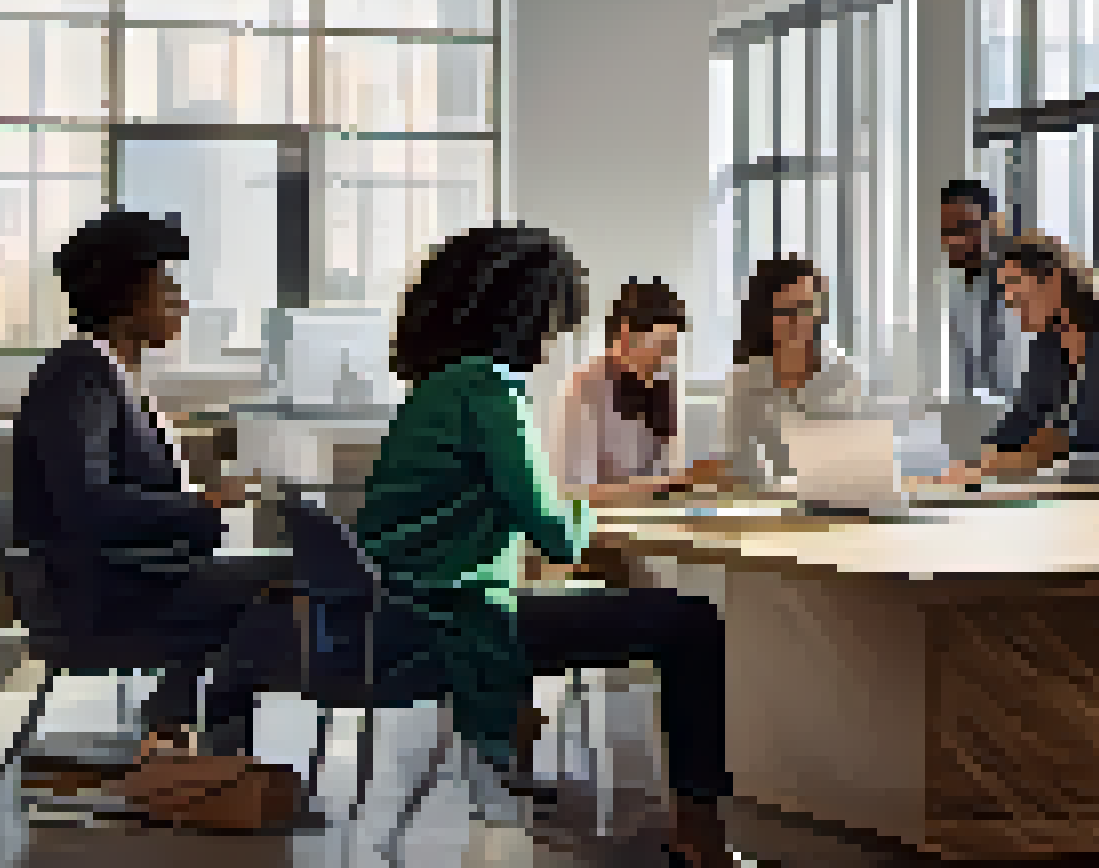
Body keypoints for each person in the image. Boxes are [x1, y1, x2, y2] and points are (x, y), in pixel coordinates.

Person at [348, 223, 730, 867]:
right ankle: (701, 837)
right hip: (462, 618)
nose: (556, 340)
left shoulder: (438, 387)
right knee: (690, 624)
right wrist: (578, 514)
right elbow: (554, 530)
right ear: (524, 314)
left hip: (407, 612)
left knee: (651, 611)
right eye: (555, 321)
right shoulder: (491, 389)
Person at [9, 209, 285, 760]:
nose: (180, 304)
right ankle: (210, 752)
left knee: (261, 582)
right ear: (127, 300)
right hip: (100, 596)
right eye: (167, 289)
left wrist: (197, 504)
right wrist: (202, 504)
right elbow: (87, 504)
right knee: (280, 573)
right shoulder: (80, 375)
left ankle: (185, 732)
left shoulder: (109, 373)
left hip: (128, 578)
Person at [949, 232, 1099, 484]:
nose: (1008, 297)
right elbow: (1025, 416)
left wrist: (1016, 458)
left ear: (1053, 281)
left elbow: (1096, 434)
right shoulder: (1047, 343)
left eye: (1014, 282)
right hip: (1066, 479)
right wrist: (980, 460)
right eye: (1004, 287)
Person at [707, 255, 870, 488]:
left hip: (831, 503)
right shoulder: (745, 378)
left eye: (807, 308)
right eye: (786, 310)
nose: (800, 321)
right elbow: (737, 463)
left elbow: (852, 462)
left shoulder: (843, 373)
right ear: (764, 316)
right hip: (765, 507)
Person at [552, 278, 718, 504]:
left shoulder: (661, 384)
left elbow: (667, 472)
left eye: (671, 348)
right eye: (661, 347)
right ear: (626, 336)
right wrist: (668, 484)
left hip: (651, 518)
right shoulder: (584, 388)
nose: (666, 360)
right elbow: (574, 492)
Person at [939, 180, 1021, 399]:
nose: (953, 241)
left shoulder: (1027, 285)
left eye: (965, 228)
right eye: (945, 231)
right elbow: (961, 378)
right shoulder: (957, 292)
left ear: (993, 225)